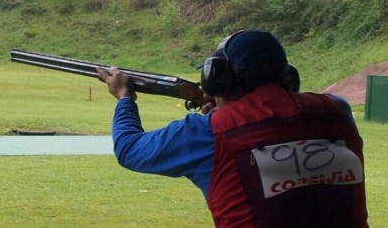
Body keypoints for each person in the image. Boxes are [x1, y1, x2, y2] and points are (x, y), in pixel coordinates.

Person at [97, 30, 368, 228]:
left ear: (216, 80)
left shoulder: (210, 132)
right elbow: (284, 129)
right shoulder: (338, 111)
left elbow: (129, 148)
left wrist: (125, 98)